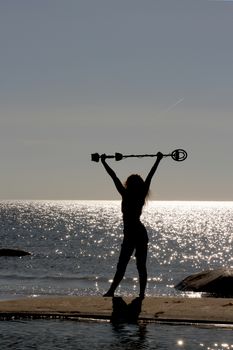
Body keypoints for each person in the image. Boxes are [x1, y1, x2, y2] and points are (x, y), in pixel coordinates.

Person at [101, 152, 163, 299]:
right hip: (130, 234)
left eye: (136, 183)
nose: (135, 185)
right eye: (133, 183)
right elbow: (114, 176)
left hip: (138, 235)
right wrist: (103, 162)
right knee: (122, 265)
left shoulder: (139, 195)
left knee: (140, 265)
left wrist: (158, 160)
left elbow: (150, 175)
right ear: (130, 184)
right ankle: (111, 291)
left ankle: (141, 294)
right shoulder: (125, 193)